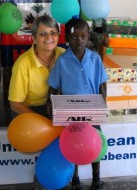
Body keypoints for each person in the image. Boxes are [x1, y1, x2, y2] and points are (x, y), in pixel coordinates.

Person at [47, 17, 108, 190]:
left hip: (93, 109)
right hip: (70, 111)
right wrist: (49, 102)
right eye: (74, 37)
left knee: (96, 144)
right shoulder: (62, 61)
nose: (79, 40)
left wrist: (103, 104)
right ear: (67, 39)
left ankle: (96, 178)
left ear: (89, 37)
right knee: (73, 145)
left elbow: (102, 84)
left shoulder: (95, 59)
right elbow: (53, 85)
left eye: (83, 36)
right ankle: (75, 179)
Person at [8, 15, 65, 117]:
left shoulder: (65, 56)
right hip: (29, 110)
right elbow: (15, 104)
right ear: (34, 38)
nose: (49, 37)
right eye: (43, 34)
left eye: (53, 33)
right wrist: (40, 120)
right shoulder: (22, 64)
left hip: (56, 107)